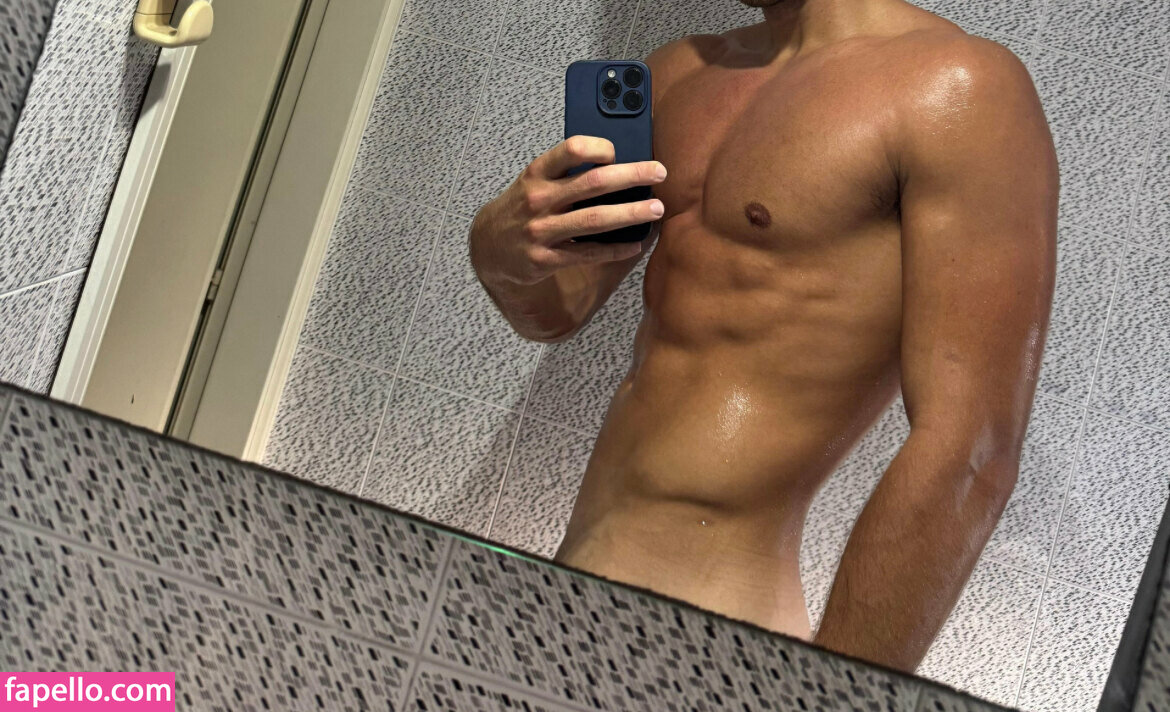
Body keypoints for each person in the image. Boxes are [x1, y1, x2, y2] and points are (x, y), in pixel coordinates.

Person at [469, 0, 1057, 672]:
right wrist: (497, 252)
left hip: (717, 632)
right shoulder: (680, 71)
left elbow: (972, 452)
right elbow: (554, 315)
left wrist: (828, 690)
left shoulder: (957, 87)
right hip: (564, 589)